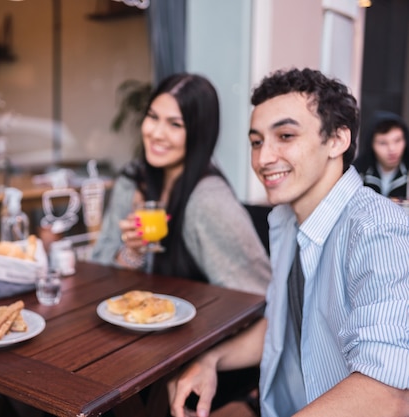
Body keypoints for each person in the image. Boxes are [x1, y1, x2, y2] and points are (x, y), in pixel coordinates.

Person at [167, 68, 409, 417]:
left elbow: (387, 394)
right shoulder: (287, 220)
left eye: (285, 135)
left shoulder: (379, 230)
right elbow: (280, 326)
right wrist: (211, 360)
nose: (263, 158)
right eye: (256, 141)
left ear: (338, 140)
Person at [91, 73, 271, 296]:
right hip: (132, 320)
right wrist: (132, 252)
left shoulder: (208, 200)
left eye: (175, 124)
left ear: (199, 133)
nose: (156, 133)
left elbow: (256, 294)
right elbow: (97, 269)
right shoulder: (132, 181)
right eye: (153, 117)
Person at [353, 110, 408, 199]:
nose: (392, 149)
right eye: (383, 143)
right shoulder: (358, 173)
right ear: (371, 145)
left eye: (397, 140)